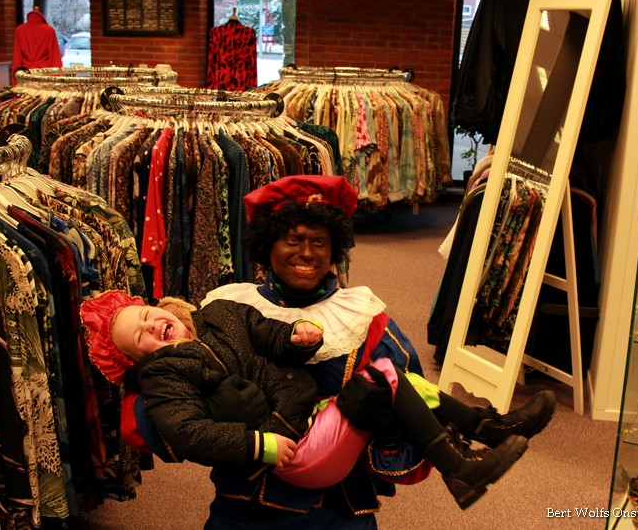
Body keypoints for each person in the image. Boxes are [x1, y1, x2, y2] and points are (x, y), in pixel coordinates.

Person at [199, 174, 557, 528]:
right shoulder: (229, 310)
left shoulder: (366, 320)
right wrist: (218, 409)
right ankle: (484, 428)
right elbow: (181, 418)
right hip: (243, 510)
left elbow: (409, 440)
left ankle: (480, 433)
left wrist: (384, 429)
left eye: (319, 241)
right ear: (267, 245)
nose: (306, 252)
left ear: (334, 249)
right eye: (293, 239)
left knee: (391, 379)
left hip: (337, 511)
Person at [79, 291, 530, 507]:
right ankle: (462, 463)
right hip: (295, 454)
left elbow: (266, 333)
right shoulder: (163, 378)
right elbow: (189, 433)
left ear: (160, 306)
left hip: (310, 418)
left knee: (397, 379)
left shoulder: (219, 314)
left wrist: (296, 337)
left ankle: (483, 430)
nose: (150, 327)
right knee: (382, 377)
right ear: (136, 361)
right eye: (139, 338)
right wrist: (259, 445)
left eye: (145, 315)